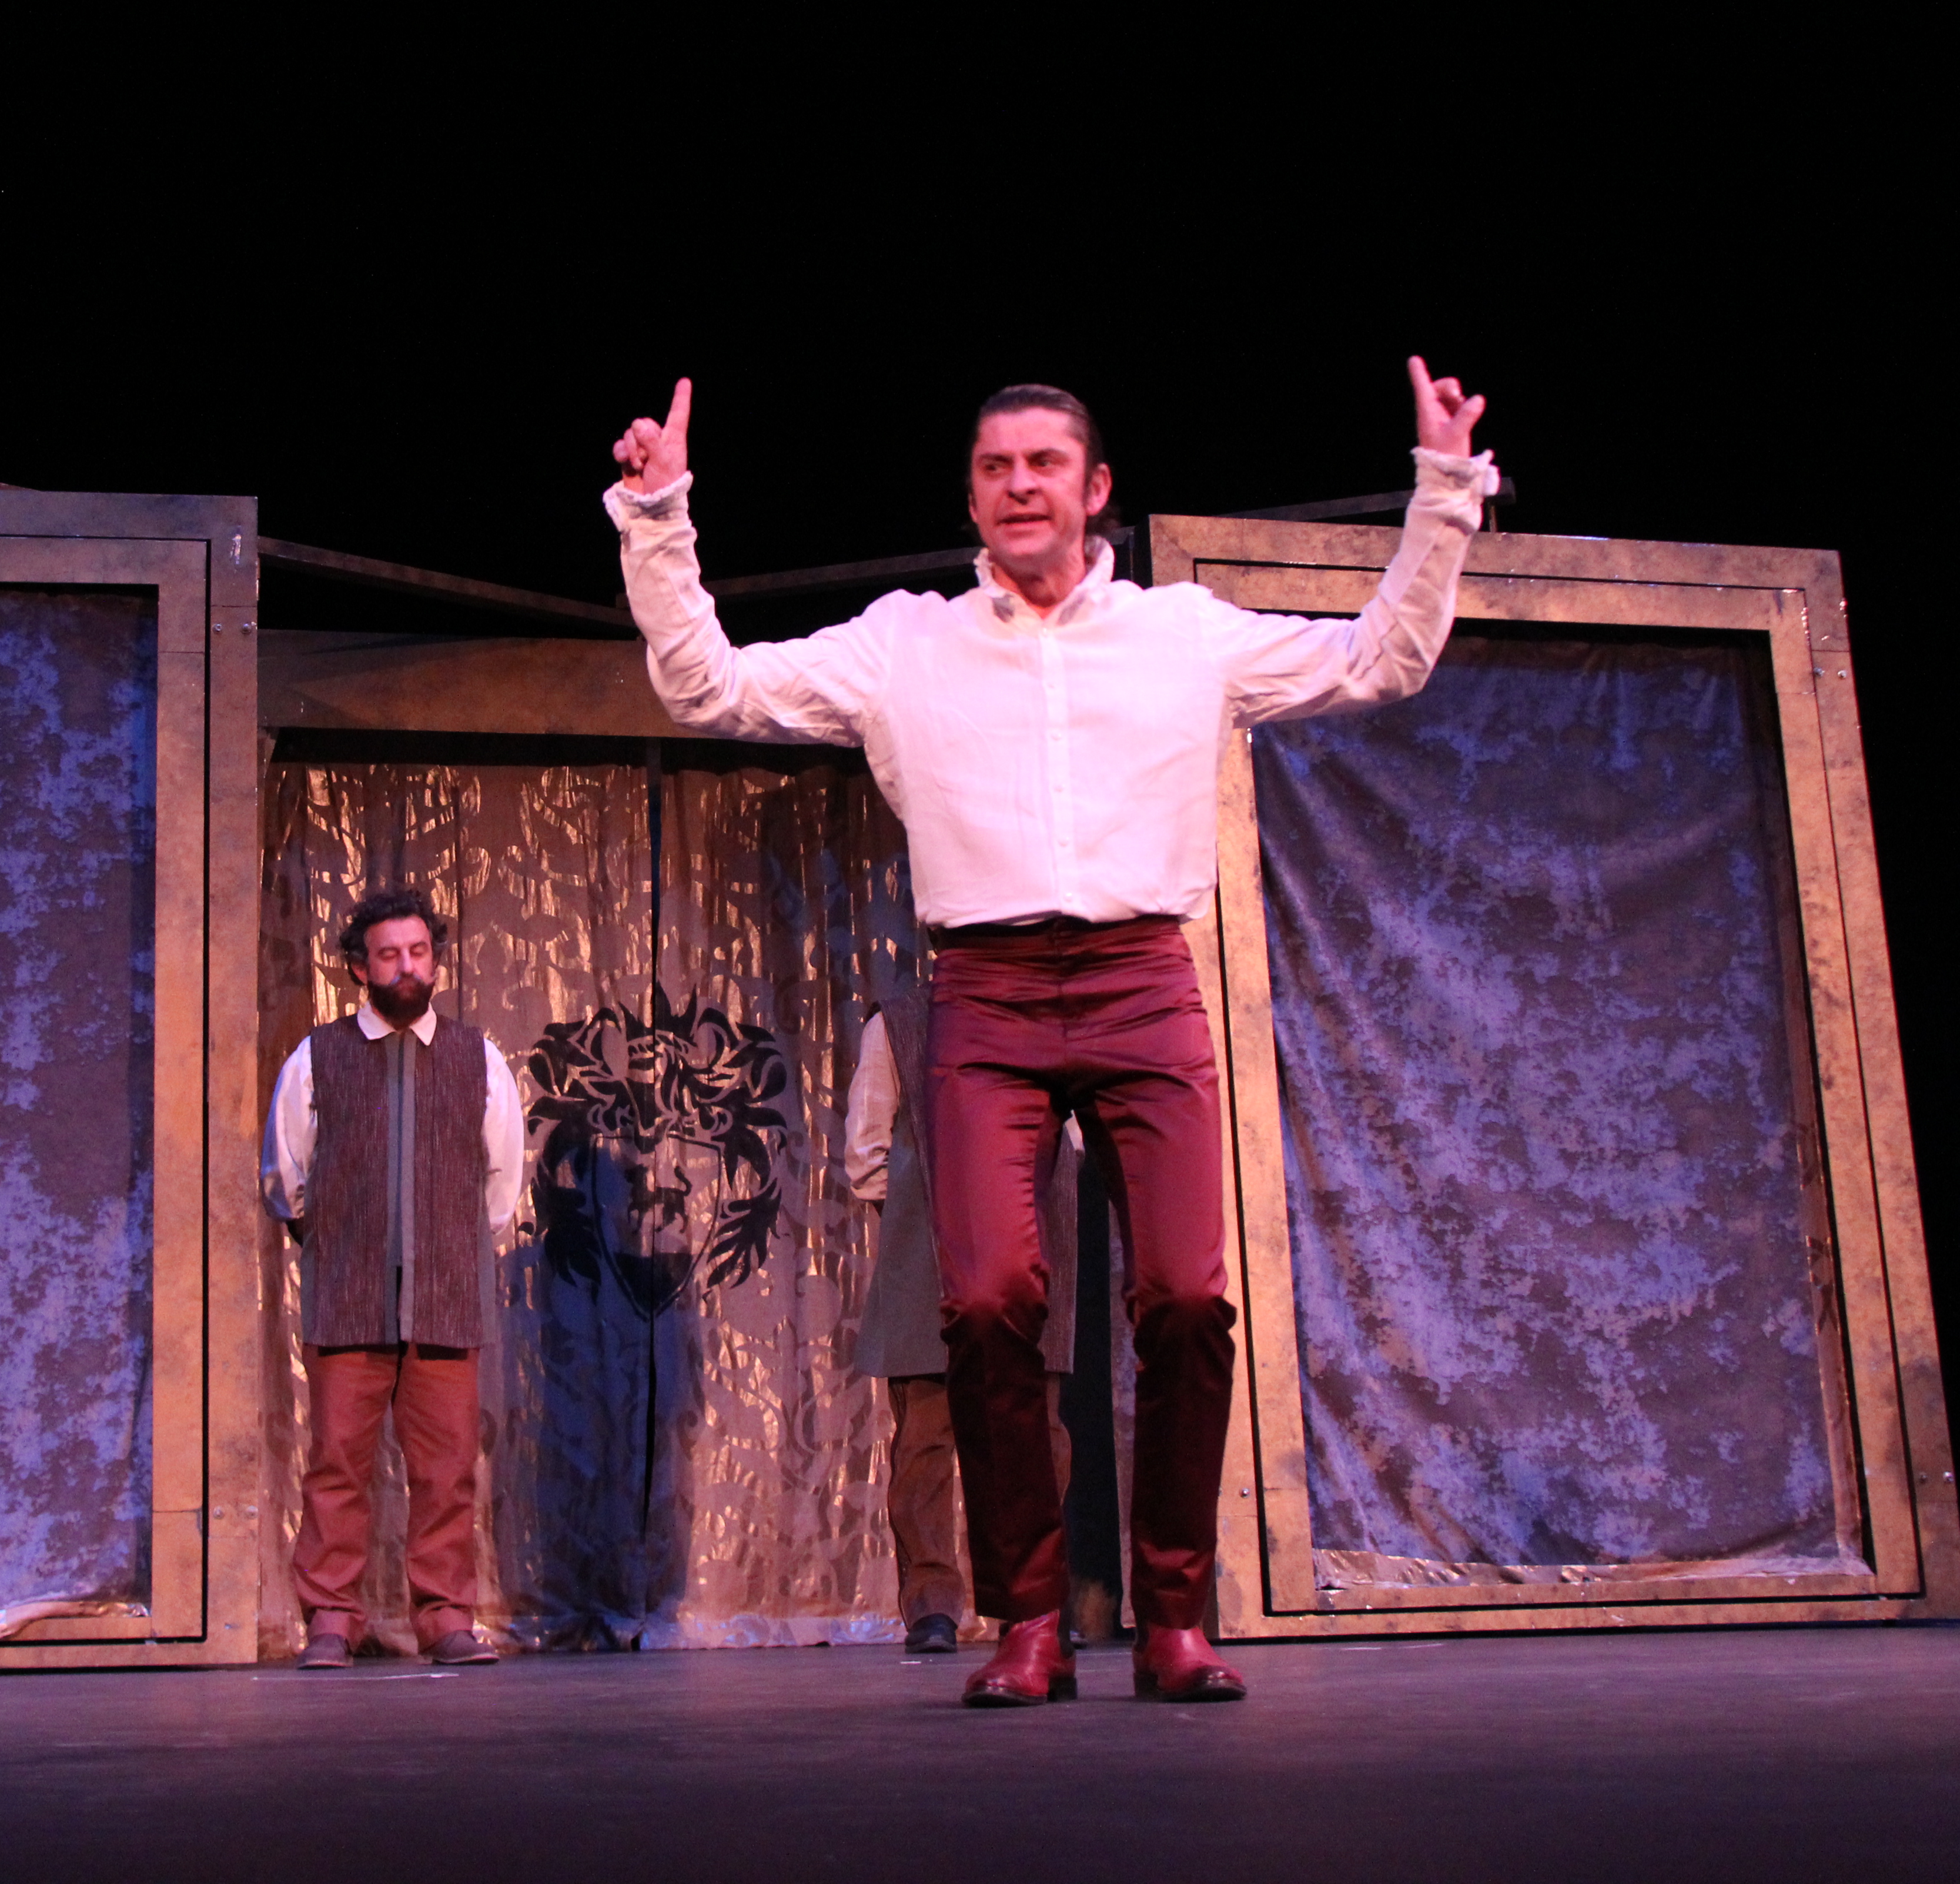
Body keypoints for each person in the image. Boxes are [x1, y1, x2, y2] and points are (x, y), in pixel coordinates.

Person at [604, 361, 1491, 1705]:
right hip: (985, 991)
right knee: (983, 1299)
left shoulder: (1184, 634)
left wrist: (1441, 493)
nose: (1019, 483)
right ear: (974, 492)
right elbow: (706, 689)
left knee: (1188, 1293)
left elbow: (1382, 658)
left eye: (1043, 463)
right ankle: (1023, 1614)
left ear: (1093, 490)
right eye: (994, 465)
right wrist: (659, 514)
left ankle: (1174, 1617)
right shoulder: (903, 642)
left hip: (1141, 980)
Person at [262, 887, 528, 1668]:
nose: (407, 968)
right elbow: (286, 1175)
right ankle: (332, 1621)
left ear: (435, 961)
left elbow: (502, 1182)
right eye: (389, 955)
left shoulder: (477, 1056)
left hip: (447, 1294)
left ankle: (446, 1616)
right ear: (359, 967)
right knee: (337, 1464)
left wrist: (448, 1249)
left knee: (445, 1470)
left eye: (419, 952)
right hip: (350, 1293)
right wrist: (339, 1242)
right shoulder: (320, 1056)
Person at [846, 998, 1080, 1656]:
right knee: (925, 1432)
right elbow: (866, 1149)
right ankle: (932, 1607)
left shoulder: (1049, 1012)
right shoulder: (900, 1022)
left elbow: (1077, 1133)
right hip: (929, 1237)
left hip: (1033, 1238)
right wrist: (915, 1220)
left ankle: (1030, 1603)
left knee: (1038, 1435)